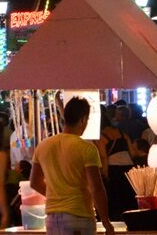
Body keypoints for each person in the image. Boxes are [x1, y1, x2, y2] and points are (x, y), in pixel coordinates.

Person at [30, 97, 114, 235]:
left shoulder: (43, 146)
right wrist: (106, 221)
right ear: (83, 119)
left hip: (52, 217)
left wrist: (57, 196)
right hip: (79, 216)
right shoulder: (86, 148)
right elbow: (96, 188)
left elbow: (34, 182)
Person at [97, 105, 136, 220]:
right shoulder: (121, 133)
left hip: (114, 170)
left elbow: (103, 157)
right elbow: (132, 153)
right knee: (128, 199)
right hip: (128, 168)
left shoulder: (101, 136)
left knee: (116, 200)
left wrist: (105, 173)